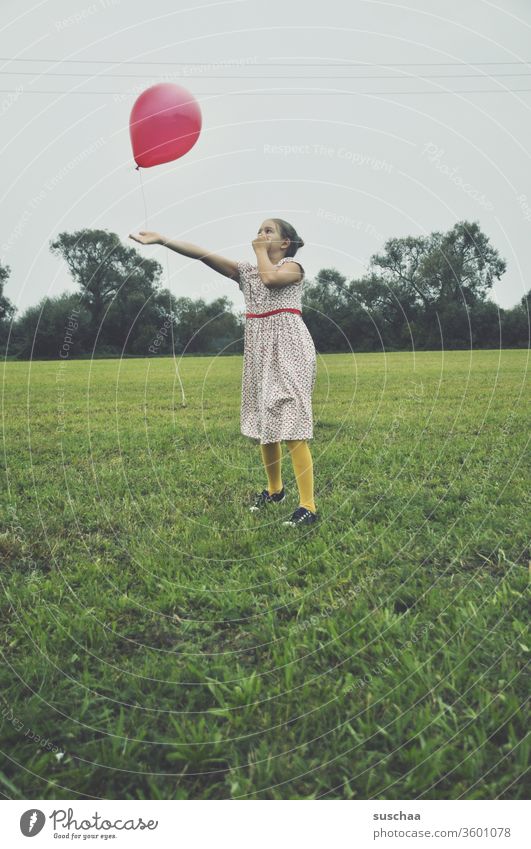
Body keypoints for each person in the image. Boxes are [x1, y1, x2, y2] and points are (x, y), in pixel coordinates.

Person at [129, 218, 318, 526]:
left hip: (289, 348)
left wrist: (258, 253)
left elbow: (269, 280)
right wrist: (163, 239)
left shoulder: (292, 269)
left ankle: (308, 506)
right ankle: (275, 490)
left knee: (292, 422)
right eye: (258, 230)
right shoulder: (247, 271)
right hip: (259, 350)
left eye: (268, 231)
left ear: (285, 244)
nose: (260, 235)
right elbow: (202, 254)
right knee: (264, 420)